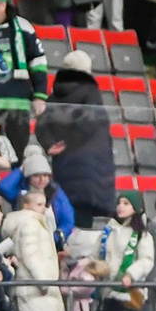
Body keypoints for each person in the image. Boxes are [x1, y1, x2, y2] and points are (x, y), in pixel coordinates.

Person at [37, 49, 113, 221]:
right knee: (82, 219)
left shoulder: (54, 95)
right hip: (87, 164)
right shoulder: (91, 92)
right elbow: (91, 124)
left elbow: (41, 126)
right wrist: (69, 143)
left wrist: (52, 145)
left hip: (63, 163)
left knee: (64, 212)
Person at [0, 0, 47, 154]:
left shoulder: (24, 27)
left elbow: (38, 61)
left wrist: (40, 95)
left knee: (18, 154)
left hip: (19, 105)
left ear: (2, 5)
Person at [0, 181, 60, 311]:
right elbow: (30, 255)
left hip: (35, 292)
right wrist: (43, 283)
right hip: (36, 291)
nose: (43, 208)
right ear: (26, 205)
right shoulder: (30, 224)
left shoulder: (37, 223)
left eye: (44, 204)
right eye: (38, 204)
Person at [89, 194, 154, 311]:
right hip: (107, 294)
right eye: (119, 203)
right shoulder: (108, 231)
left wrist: (130, 275)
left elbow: (146, 260)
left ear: (136, 208)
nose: (120, 207)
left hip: (129, 296)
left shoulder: (143, 235)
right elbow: (95, 254)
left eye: (126, 203)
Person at [0, 138, 74, 236]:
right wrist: (23, 168)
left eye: (45, 175)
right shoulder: (21, 192)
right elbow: (3, 188)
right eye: (36, 175)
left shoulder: (56, 191)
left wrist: (59, 235)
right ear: (28, 177)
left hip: (53, 240)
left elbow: (68, 219)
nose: (42, 179)